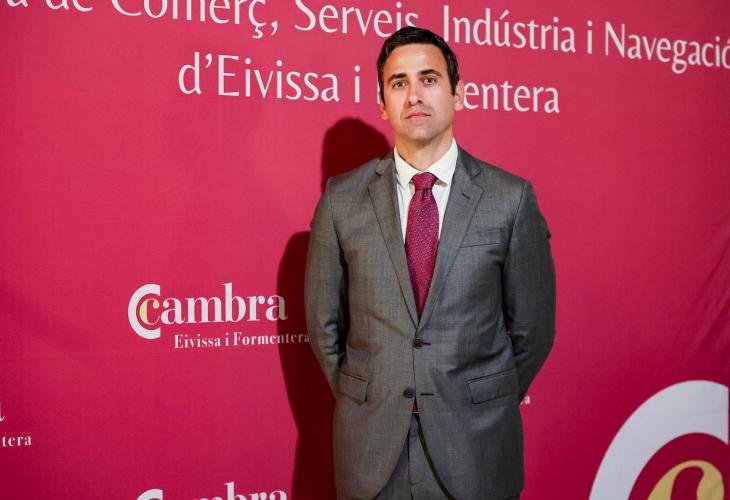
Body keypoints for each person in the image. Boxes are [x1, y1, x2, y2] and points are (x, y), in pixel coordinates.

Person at [305, 26, 555, 500]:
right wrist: (372, 398)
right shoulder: (342, 200)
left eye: (429, 79)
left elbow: (533, 331)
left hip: (477, 447)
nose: (414, 95)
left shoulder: (510, 199)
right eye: (398, 83)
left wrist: (480, 395)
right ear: (382, 104)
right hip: (372, 453)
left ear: (457, 94)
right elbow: (324, 328)